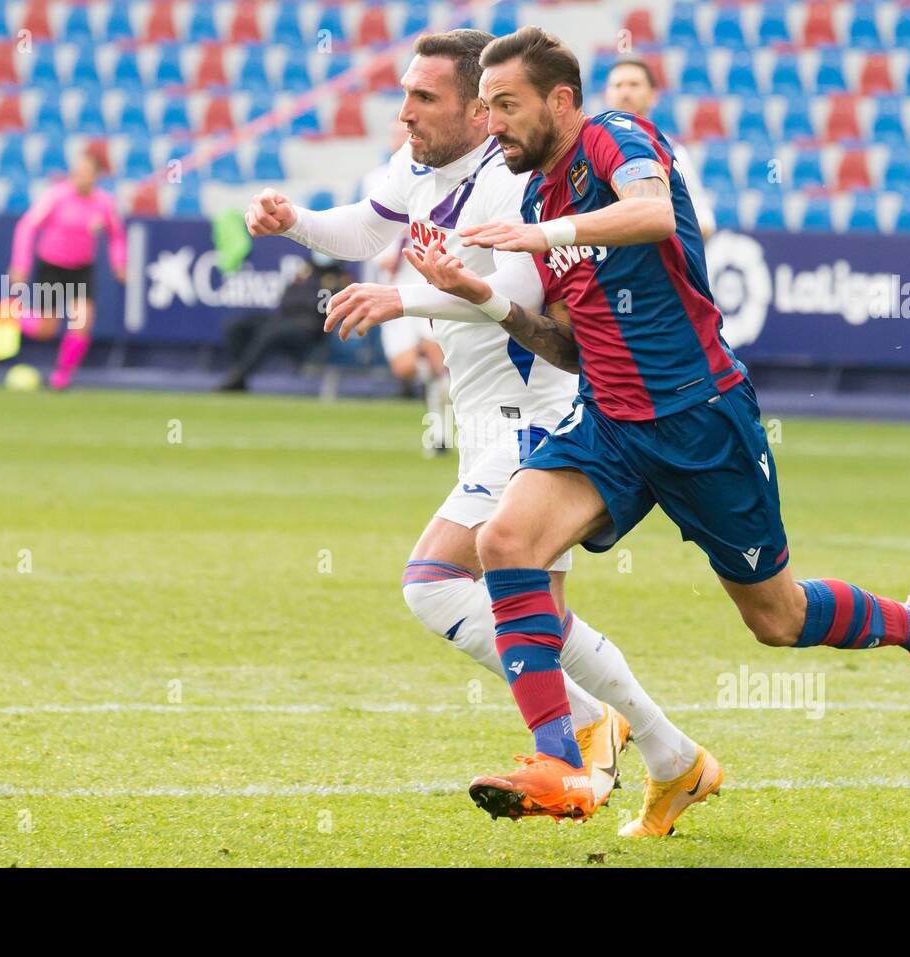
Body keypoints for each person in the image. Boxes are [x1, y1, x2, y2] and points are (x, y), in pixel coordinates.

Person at [404, 25, 910, 835]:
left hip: (700, 418)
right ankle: (562, 759)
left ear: (560, 101)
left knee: (776, 619)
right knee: (506, 543)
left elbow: (652, 216)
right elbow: (567, 342)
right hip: (609, 421)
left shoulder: (614, 137)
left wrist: (545, 238)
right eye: (486, 106)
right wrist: (485, 297)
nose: (491, 123)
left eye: (507, 105)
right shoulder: (538, 195)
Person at [248, 29, 705, 821]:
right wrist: (295, 220)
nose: (405, 114)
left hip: (537, 415)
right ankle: (671, 755)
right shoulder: (422, 165)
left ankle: (577, 743)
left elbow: (520, 285)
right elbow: (367, 227)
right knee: (542, 615)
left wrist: (404, 299)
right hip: (489, 419)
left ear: (475, 109)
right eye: (404, 95)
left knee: (435, 582)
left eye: (424, 98)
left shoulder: (510, 180)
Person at [358, 122, 452, 455]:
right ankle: (448, 395)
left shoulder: (438, 175)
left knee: (436, 355)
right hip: (392, 284)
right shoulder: (376, 179)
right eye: (396, 133)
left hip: (426, 282)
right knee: (405, 366)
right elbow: (368, 231)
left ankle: (442, 434)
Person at [8, 146, 126, 390]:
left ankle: (62, 376)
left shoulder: (104, 203)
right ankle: (11, 314)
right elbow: (27, 227)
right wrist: (21, 263)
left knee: (81, 322)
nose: (81, 177)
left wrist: (120, 263)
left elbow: (117, 236)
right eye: (77, 172)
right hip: (52, 266)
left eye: (86, 172)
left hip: (81, 269)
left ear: (96, 175)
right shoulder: (56, 197)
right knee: (46, 329)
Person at [603, 57, 715, 238]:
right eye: (617, 85)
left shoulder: (671, 151)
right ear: (606, 95)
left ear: (653, 96)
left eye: (634, 85)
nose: (625, 92)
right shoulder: (588, 148)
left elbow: (704, 222)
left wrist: (658, 229)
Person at [216, 254, 351, 391]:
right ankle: (240, 374)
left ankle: (238, 377)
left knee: (271, 332)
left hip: (309, 331)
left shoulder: (338, 281)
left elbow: (323, 311)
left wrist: (304, 305)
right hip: (285, 320)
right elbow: (286, 301)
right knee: (235, 326)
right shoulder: (304, 275)